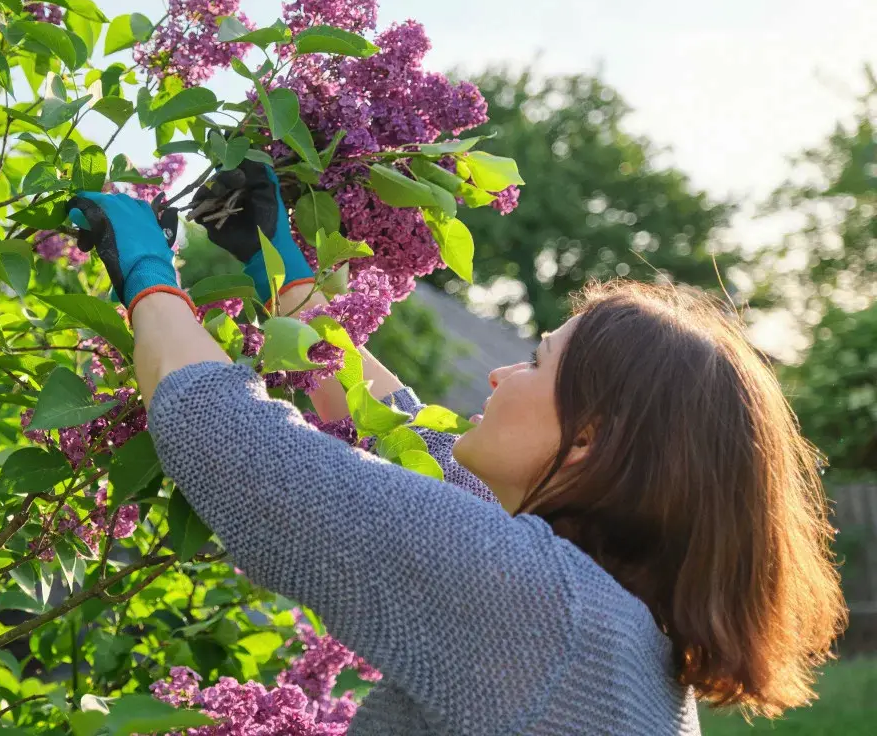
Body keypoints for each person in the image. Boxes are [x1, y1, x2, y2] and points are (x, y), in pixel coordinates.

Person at [66, 162, 846, 735]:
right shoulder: (615, 627)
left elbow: (233, 440)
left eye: (536, 362)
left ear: (588, 439)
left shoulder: (542, 611)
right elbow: (410, 441)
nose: (502, 374)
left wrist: (144, 267)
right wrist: (286, 274)